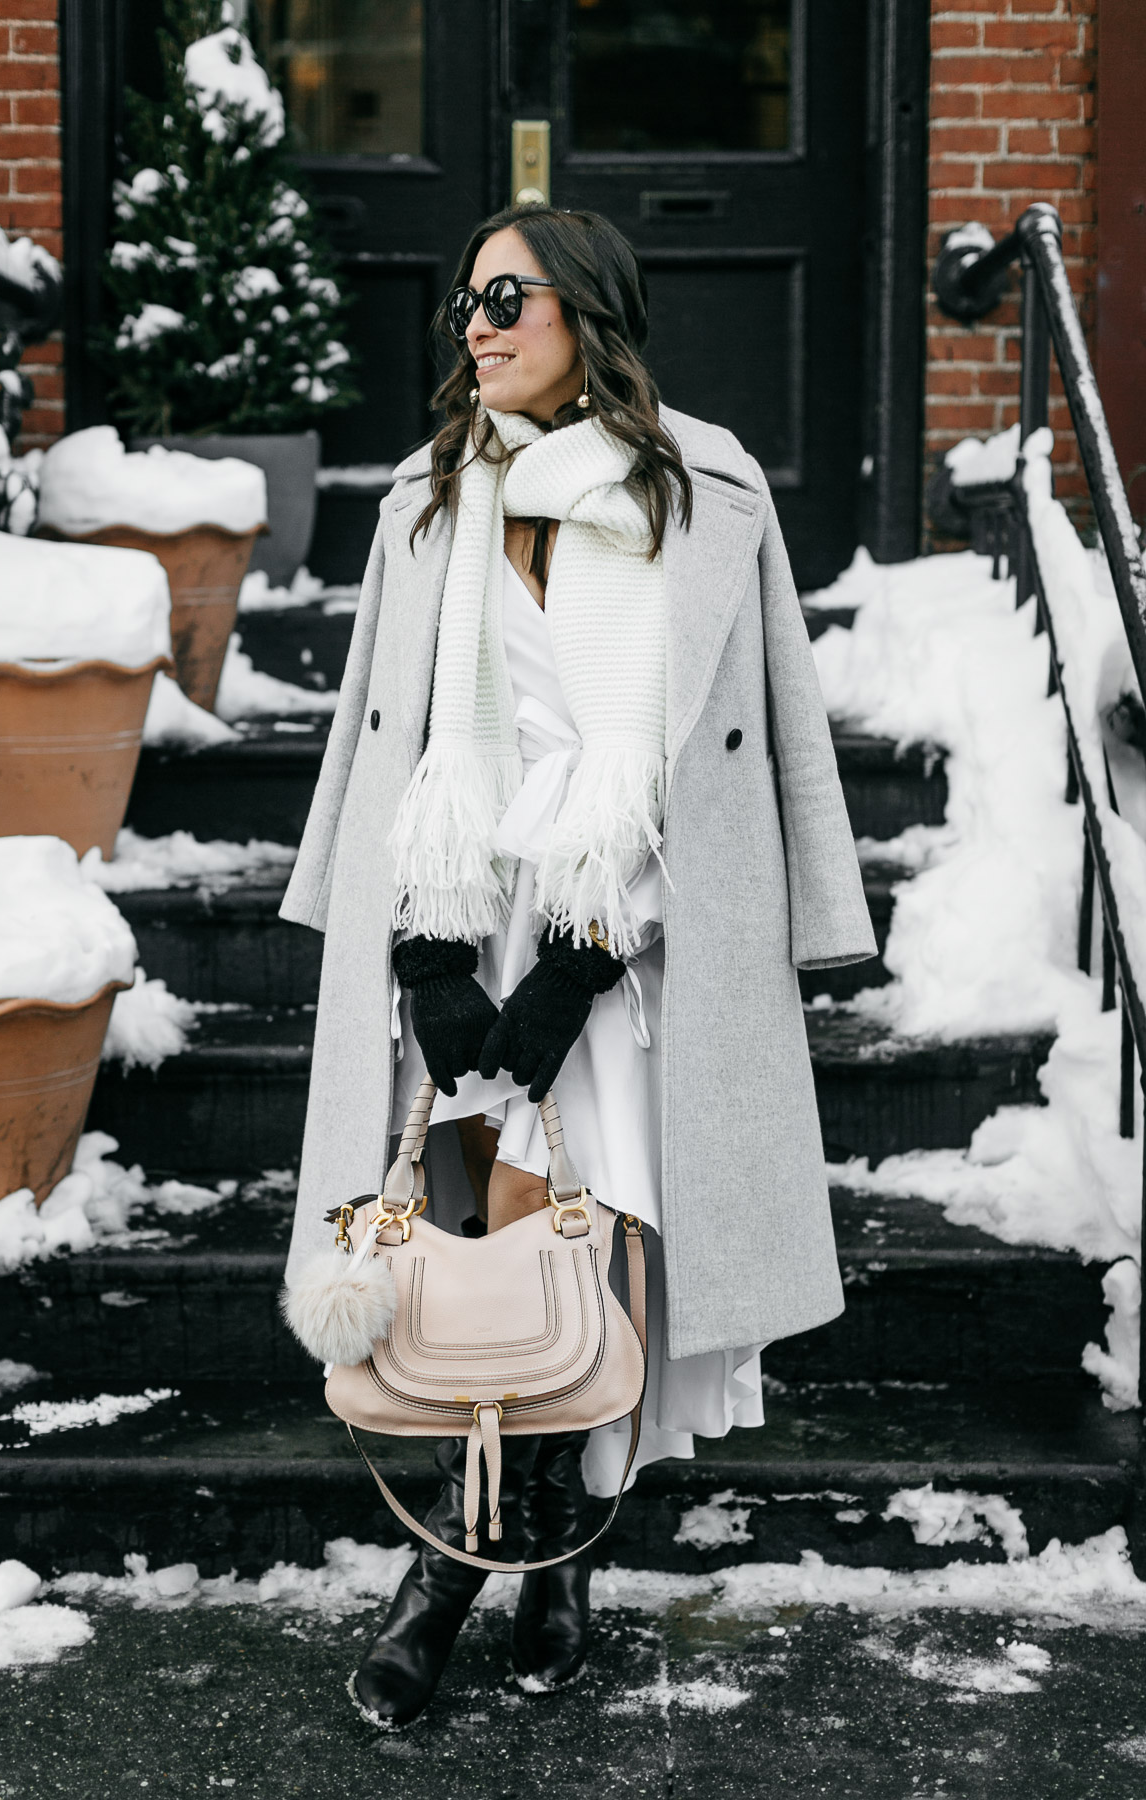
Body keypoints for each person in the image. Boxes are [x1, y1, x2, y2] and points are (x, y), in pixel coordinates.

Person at [279, 204, 876, 1728]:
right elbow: (397, 732)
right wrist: (425, 952)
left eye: (506, 295)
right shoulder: (430, 495)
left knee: (582, 1251)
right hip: (465, 911)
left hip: (626, 934)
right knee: (472, 1247)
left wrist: (583, 965)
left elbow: (719, 759)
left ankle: (475, 1576)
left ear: (587, 311)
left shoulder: (707, 490)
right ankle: (532, 1563)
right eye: (465, 302)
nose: (475, 324)